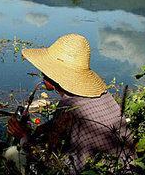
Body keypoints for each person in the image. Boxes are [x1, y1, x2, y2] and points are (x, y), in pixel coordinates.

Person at [7, 34, 135, 173]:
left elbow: (49, 159)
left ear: (52, 75)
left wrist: (23, 137)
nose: (42, 75)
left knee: (16, 158)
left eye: (44, 71)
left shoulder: (68, 108)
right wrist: (45, 128)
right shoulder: (104, 96)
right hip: (128, 167)